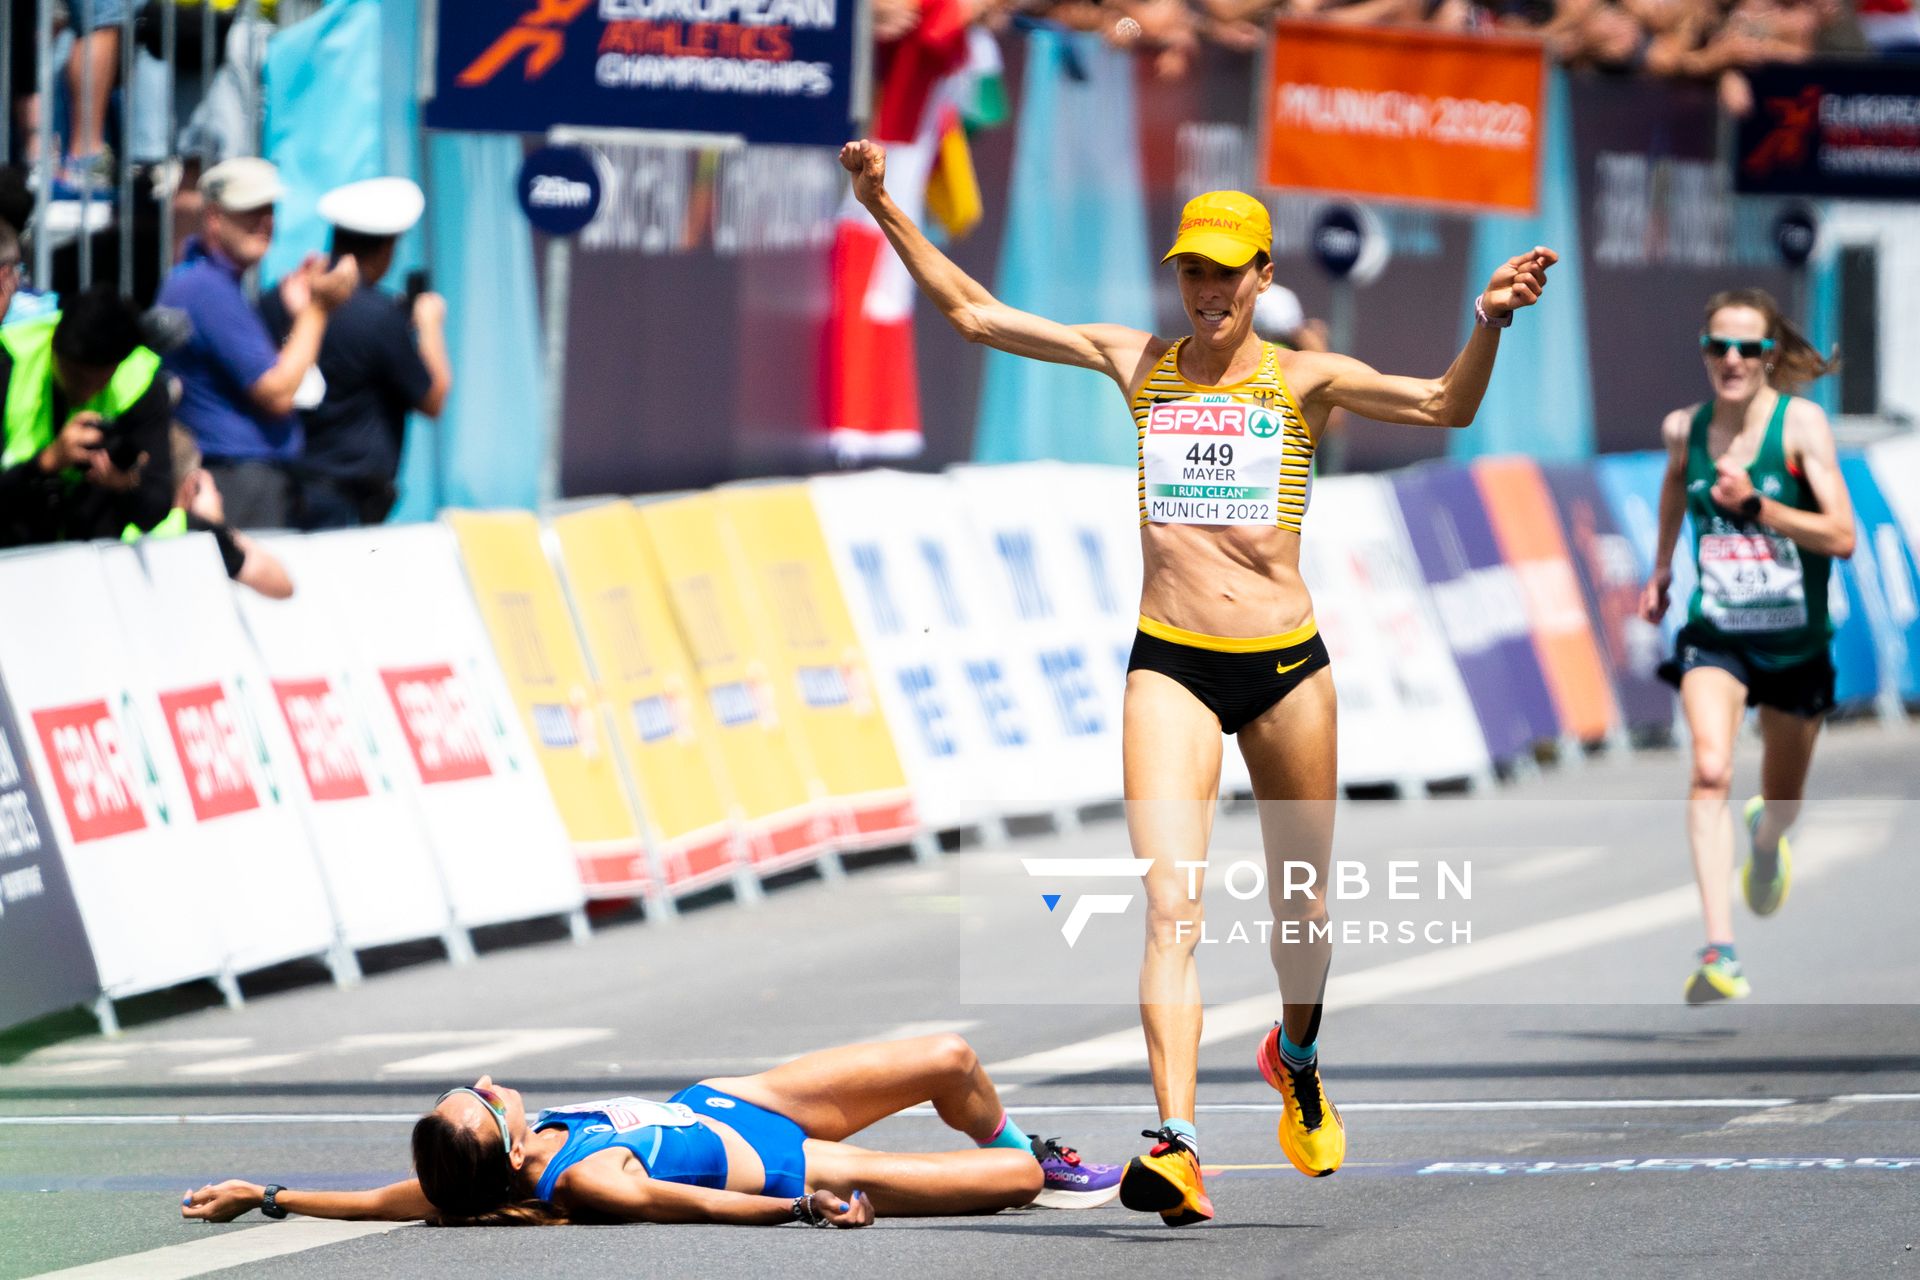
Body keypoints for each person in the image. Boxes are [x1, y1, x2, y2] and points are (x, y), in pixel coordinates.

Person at [839, 138, 1554, 1226]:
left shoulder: (1307, 378)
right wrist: (885, 204)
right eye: (1193, 271)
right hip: (1168, 661)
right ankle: (1174, 1140)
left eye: (1228, 271)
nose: (1209, 290)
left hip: (1285, 669)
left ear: (1265, 277)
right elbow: (977, 316)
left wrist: (1490, 319)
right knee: (1171, 906)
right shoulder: (1142, 365)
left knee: (1301, 904)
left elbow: (1448, 407)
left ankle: (1296, 1053)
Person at [180, 1033, 1121, 1226]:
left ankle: (1021, 1137)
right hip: (793, 1163)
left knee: (951, 1059)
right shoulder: (581, 1183)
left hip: (739, 1097)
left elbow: (398, 1198)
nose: (487, 1084)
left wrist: (267, 1194)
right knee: (1017, 1191)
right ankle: (1029, 1162)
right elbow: (686, 1203)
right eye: (479, 1099)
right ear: (507, 1150)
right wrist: (800, 1210)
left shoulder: (495, 1162)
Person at [1640, 287, 1852, 1006]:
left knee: (1782, 802)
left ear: (1769, 356)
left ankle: (1768, 839)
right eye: (1718, 347)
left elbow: (1843, 538)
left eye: (1749, 348)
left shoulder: (1802, 429)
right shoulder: (1684, 429)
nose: (1732, 360)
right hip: (1718, 636)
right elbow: (1675, 486)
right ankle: (1719, 950)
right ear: (1703, 351)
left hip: (1796, 645)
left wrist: (1757, 507)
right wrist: (1663, 567)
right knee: (1708, 769)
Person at [156, 156, 357, 529]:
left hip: (243, 479)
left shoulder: (208, 283)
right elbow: (277, 392)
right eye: (250, 209)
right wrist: (318, 309)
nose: (265, 221)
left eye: (269, 208)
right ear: (214, 217)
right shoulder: (206, 289)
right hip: (237, 481)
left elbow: (269, 377)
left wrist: (302, 317)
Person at [257, 177, 451, 530]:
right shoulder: (380, 316)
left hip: (281, 489)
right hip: (344, 503)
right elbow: (433, 398)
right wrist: (431, 323)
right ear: (386, 249)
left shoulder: (279, 298)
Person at [0, 284, 171, 547]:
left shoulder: (142, 381)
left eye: (99, 381)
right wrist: (46, 463)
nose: (85, 392)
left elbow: (156, 508)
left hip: (98, 552)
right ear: (54, 346)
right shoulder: (10, 359)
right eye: (75, 378)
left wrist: (126, 483)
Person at [122, 425, 293, 598]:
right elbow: (281, 585)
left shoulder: (111, 514)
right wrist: (215, 522)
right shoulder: (198, 531)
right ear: (191, 485)